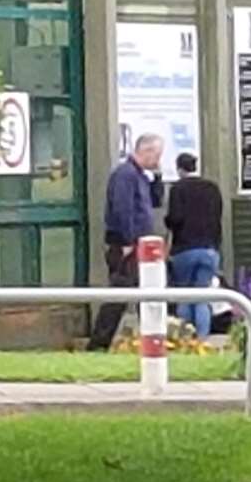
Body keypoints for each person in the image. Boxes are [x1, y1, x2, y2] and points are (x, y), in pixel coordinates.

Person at [90, 134, 163, 351]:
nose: (158, 159)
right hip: (127, 245)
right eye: (157, 155)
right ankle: (99, 342)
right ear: (146, 151)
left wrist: (157, 177)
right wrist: (127, 241)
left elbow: (156, 201)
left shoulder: (141, 176)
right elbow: (123, 209)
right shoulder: (125, 175)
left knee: (146, 293)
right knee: (119, 294)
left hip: (141, 244)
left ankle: (150, 338)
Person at [165, 152, 223, 338]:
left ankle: (186, 338)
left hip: (185, 249)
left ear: (179, 168)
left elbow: (176, 218)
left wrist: (167, 223)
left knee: (185, 295)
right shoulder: (212, 188)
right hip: (209, 248)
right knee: (202, 296)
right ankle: (203, 339)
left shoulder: (178, 189)